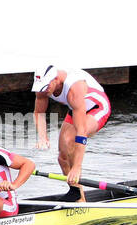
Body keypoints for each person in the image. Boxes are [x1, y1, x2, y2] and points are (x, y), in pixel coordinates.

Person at [31, 64, 110, 200]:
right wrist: (43, 137)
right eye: (41, 88)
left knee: (71, 140)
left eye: (46, 87)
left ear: (56, 79)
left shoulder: (74, 87)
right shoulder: (42, 87)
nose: (44, 91)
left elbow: (81, 131)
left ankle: (79, 195)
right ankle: (77, 194)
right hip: (76, 108)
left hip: (98, 107)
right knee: (62, 158)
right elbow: (39, 113)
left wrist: (77, 167)